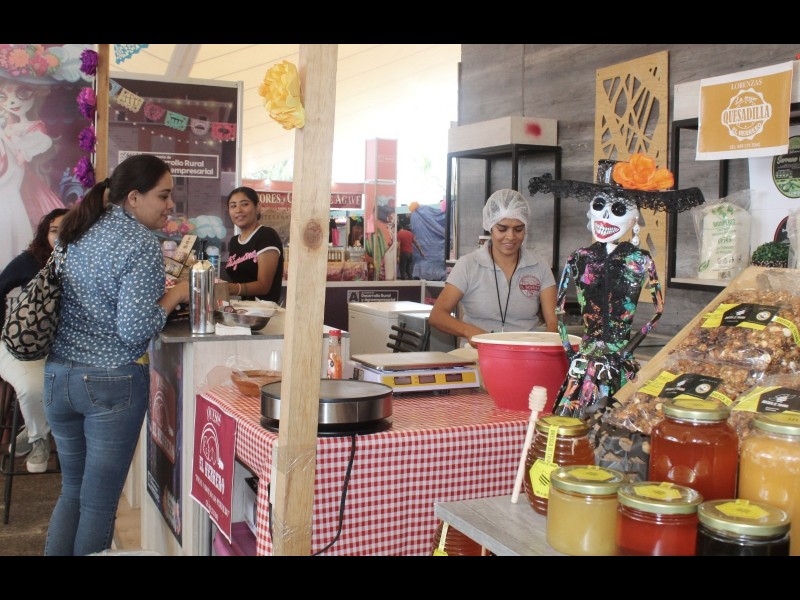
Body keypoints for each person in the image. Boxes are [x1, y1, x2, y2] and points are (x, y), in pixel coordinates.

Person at [42, 154, 190, 556]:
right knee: (98, 504)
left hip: (58, 377)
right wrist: (177, 294)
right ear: (134, 197)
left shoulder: (76, 229)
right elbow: (134, 329)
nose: (170, 205)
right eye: (163, 195)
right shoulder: (140, 243)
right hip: (110, 383)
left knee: (72, 492)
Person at [528, 154, 704, 420]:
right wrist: (570, 351)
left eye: (619, 209)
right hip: (584, 359)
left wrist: (626, 349)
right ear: (590, 211)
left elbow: (658, 310)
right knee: (574, 426)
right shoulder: (578, 257)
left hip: (620, 359)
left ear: (635, 219)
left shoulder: (640, 259)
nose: (607, 215)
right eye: (599, 205)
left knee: (617, 422)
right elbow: (559, 310)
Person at [429, 189, 558, 342]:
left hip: (525, 352)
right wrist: (469, 332)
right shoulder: (468, 265)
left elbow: (553, 322)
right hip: (477, 353)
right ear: (490, 226)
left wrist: (545, 346)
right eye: (502, 229)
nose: (510, 236)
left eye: (518, 229)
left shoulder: (539, 266)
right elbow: (437, 315)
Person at [0, 207, 68, 473]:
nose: (60, 237)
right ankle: (39, 439)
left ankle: (32, 430)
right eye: (54, 231)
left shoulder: (84, 262)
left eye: (67, 231)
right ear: (44, 233)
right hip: (21, 346)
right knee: (32, 387)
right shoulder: (30, 261)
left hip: (62, 349)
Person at [223, 186, 284, 303]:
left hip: (263, 311)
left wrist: (231, 288)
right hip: (240, 309)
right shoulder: (234, 241)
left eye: (244, 204)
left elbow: (263, 286)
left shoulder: (266, 235)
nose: (238, 210)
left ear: (257, 207)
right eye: (233, 206)